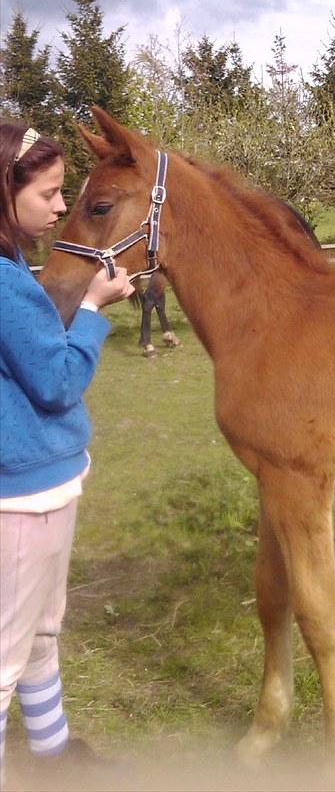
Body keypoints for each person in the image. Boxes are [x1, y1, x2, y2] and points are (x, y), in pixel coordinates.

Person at [0, 122, 134, 783]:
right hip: (23, 497)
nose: (60, 209)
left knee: (41, 633)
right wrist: (94, 310)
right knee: (4, 656)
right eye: (51, 194)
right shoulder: (1, 280)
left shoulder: (12, 272)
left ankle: (52, 754)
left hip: (43, 484)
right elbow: (55, 381)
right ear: (6, 191)